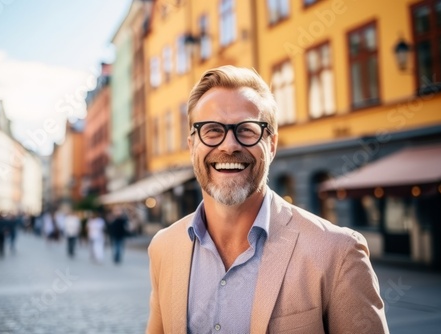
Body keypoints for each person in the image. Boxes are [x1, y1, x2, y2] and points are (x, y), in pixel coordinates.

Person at [146, 65, 389, 333]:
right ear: (192, 145)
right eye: (212, 130)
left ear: (271, 145)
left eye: (247, 130)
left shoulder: (338, 252)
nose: (229, 146)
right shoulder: (163, 248)